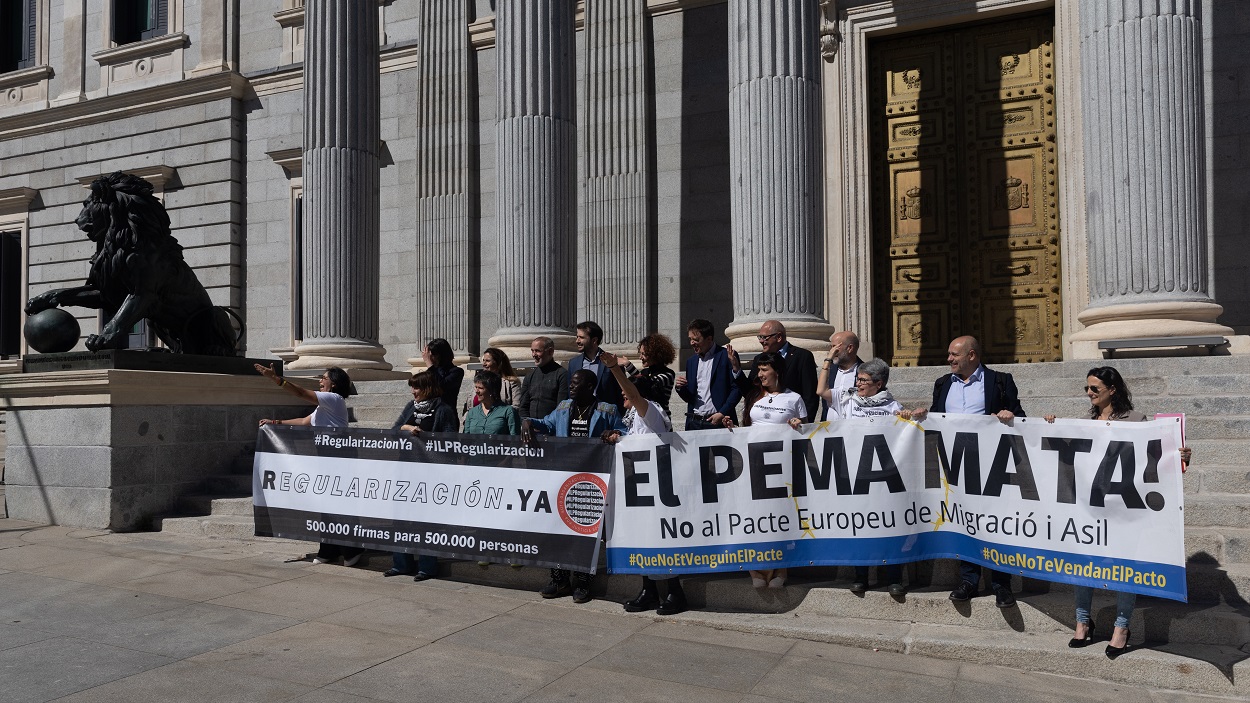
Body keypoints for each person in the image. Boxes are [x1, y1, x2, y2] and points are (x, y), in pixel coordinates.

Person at [1044, 366, 1192, 659]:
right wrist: (1050, 427)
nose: (1089, 394)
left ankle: (1122, 627)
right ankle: (1082, 621)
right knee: (1083, 564)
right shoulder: (1084, 422)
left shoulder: (1136, 421)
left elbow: (1153, 461)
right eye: (1087, 388)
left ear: (1112, 390)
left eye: (1094, 389)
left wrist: (1180, 457)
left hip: (1124, 508)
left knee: (1126, 567)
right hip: (1090, 506)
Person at [902, 335, 1024, 608]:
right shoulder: (943, 384)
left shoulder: (1001, 381)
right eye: (948, 354)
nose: (949, 359)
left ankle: (1001, 585)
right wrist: (925, 414)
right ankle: (968, 580)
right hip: (956, 464)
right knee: (964, 521)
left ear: (971, 355)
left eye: (954, 355)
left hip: (993, 463)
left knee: (996, 524)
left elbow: (1019, 415)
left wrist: (1008, 415)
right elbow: (937, 419)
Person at [522, 369, 626, 603]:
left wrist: (615, 433)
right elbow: (545, 424)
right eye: (571, 382)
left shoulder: (607, 410)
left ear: (590, 387)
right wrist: (528, 421)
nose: (571, 386)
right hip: (564, 476)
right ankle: (558, 580)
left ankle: (582, 583)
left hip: (592, 479)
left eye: (577, 383)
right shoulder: (562, 408)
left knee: (585, 531)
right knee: (557, 528)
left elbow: (625, 432)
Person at [600, 353, 687, 615]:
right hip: (638, 487)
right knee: (642, 539)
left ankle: (675, 592)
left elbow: (635, 396)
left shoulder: (652, 411)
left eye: (627, 393)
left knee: (660, 540)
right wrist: (618, 437)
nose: (624, 397)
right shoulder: (637, 418)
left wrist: (615, 368)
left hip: (657, 488)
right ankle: (649, 590)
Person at [255, 363, 362, 567]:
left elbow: (301, 393)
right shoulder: (324, 408)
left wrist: (277, 379)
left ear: (334, 384)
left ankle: (353, 549)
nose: (320, 381)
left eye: (324, 378)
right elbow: (305, 421)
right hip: (324, 459)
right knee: (325, 505)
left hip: (338, 459)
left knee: (339, 506)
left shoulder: (334, 399)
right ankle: (328, 549)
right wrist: (275, 423)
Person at [723, 352, 804, 588]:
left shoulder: (794, 399)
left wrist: (799, 424)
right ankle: (756, 570)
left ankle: (781, 569)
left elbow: (806, 434)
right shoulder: (754, 397)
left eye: (764, 370)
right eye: (758, 370)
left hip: (782, 466)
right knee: (756, 515)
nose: (760, 375)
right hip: (754, 463)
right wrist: (731, 427)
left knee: (779, 516)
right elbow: (747, 428)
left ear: (777, 371)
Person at [834, 358, 906, 595]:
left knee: (890, 525)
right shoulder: (848, 402)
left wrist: (909, 418)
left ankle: (894, 577)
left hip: (886, 476)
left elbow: (904, 435)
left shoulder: (892, 406)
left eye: (863, 379)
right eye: (858, 378)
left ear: (879, 383)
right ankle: (861, 576)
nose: (858, 383)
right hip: (857, 473)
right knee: (860, 525)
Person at [386, 370, 459, 581]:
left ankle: (427, 567)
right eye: (412, 387)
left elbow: (450, 440)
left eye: (416, 387)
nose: (413, 391)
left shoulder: (443, 409)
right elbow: (393, 430)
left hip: (430, 472)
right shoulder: (411, 407)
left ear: (428, 387)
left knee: (427, 522)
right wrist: (407, 427)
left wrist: (427, 437)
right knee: (400, 519)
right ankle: (401, 563)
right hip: (406, 470)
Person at [727, 320, 819, 422]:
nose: (761, 341)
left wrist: (806, 424)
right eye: (760, 337)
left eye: (764, 337)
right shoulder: (759, 359)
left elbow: (810, 395)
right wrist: (737, 369)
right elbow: (750, 392)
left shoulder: (802, 356)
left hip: (791, 423)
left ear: (779, 337)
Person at [675, 319, 741, 430]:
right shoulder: (691, 361)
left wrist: (722, 413)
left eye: (696, 339)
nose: (692, 343)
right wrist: (680, 387)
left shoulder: (726, 356)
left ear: (709, 339)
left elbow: (737, 388)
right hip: (694, 422)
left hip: (719, 421)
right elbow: (690, 397)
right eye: (690, 339)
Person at [617, 333, 677, 417]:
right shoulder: (645, 372)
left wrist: (628, 365)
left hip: (660, 418)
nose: (640, 357)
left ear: (655, 354)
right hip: (644, 417)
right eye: (640, 353)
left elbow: (647, 383)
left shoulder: (668, 374)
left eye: (644, 354)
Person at [569, 320, 624, 410]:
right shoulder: (573, 363)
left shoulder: (612, 360)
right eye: (577, 337)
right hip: (580, 414)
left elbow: (620, 391)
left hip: (606, 414)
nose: (577, 341)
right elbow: (570, 391)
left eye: (581, 337)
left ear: (594, 340)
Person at [816, 331, 864, 420]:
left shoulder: (865, 372)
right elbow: (820, 392)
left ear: (850, 348)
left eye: (835, 347)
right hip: (829, 428)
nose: (831, 352)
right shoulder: (828, 370)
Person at [518, 336, 568, 419]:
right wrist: (526, 421)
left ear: (550, 351)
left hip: (551, 427)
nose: (534, 355)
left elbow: (561, 407)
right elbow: (523, 405)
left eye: (537, 351)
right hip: (531, 427)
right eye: (532, 351)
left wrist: (546, 424)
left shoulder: (562, 374)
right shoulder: (530, 375)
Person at [463, 370, 521, 436]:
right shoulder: (472, 412)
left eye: (480, 388)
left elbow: (515, 439)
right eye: (476, 387)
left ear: (491, 390)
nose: (477, 391)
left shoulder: (508, 411)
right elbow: (466, 439)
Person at [423, 338, 464, 408]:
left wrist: (430, 365)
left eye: (431, 355)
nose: (430, 358)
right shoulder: (430, 372)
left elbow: (442, 385)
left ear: (439, 355)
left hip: (446, 414)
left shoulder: (456, 372)